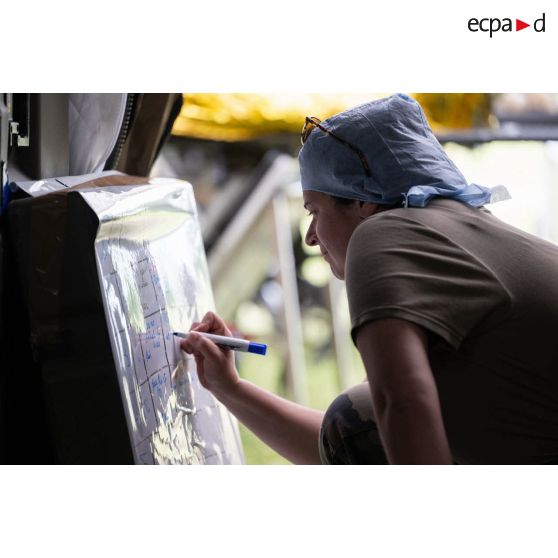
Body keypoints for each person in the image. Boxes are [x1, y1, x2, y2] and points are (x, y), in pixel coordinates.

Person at [181, 93, 558, 464]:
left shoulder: (382, 233)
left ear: (363, 199)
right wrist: (229, 389)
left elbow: (400, 405)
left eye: (314, 210)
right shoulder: (460, 230)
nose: (311, 236)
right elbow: (345, 441)